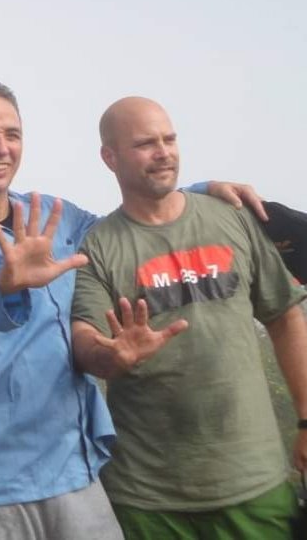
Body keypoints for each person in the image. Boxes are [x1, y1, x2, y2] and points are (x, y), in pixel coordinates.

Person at [0, 80, 262, 540]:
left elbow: (125, 232)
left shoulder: (52, 214)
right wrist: (2, 280)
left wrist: (198, 191)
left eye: (12, 134)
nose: (1, 147)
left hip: (73, 467)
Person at [72, 96, 307, 539]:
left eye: (170, 139)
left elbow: (285, 315)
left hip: (254, 483)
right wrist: (113, 357)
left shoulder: (232, 219)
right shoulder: (98, 246)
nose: (163, 152)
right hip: (148, 499)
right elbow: (86, 339)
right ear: (110, 157)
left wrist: (306, 418)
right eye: (146, 143)